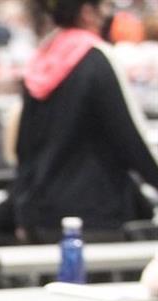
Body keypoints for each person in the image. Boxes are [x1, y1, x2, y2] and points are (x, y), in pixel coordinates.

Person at [9, 0, 158, 244]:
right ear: (88, 12)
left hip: (39, 212)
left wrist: (21, 208)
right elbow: (131, 138)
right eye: (104, 8)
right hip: (94, 212)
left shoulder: (42, 57)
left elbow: (23, 147)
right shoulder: (97, 57)